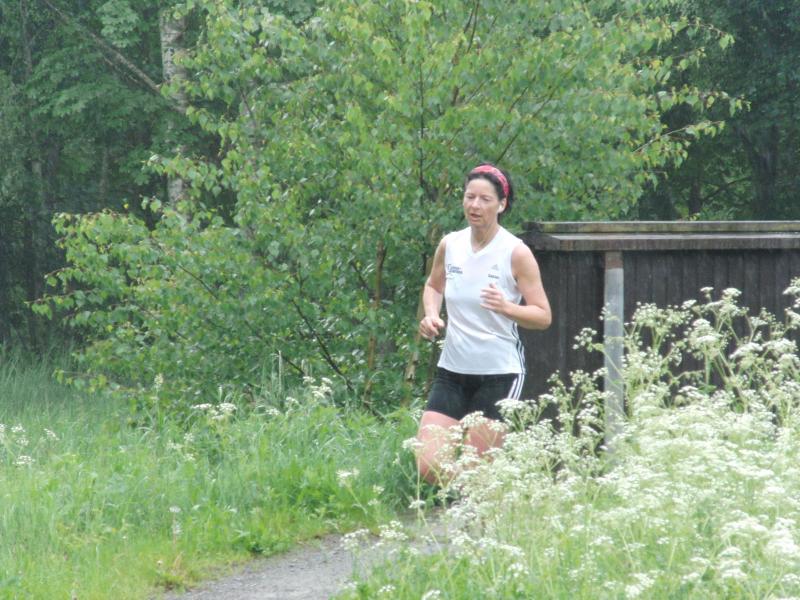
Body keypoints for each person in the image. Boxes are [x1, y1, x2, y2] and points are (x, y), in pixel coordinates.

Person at [415, 163, 552, 484]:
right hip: (452, 372)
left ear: (502, 204)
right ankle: (475, 499)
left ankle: (487, 506)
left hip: (499, 374)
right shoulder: (450, 244)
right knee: (429, 466)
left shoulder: (516, 252)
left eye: (485, 199)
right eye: (469, 197)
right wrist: (431, 314)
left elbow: (543, 315)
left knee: (476, 472)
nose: (475, 205)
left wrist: (507, 307)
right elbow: (434, 286)